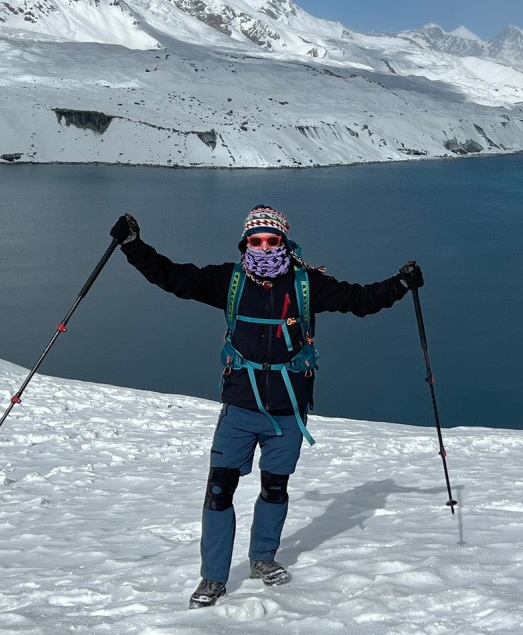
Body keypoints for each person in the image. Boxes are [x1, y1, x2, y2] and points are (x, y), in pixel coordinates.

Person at [109, 205, 424, 608]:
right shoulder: (229, 280)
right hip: (240, 404)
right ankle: (213, 578)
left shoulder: (306, 284)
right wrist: (133, 245)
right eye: (255, 240)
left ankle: (262, 559)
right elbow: (172, 277)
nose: (263, 247)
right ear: (245, 243)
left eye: (271, 240)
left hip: (288, 408)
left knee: (275, 488)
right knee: (219, 490)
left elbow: (359, 300)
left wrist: (400, 283)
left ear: (283, 241)